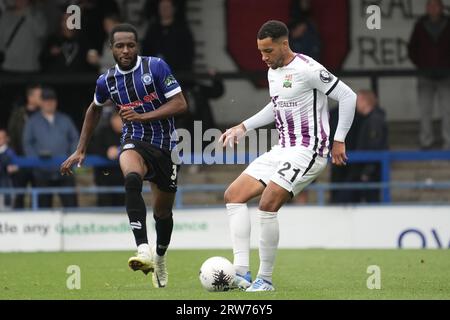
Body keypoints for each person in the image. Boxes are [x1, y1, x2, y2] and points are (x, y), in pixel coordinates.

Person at [219, 20, 356, 292]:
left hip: (309, 150)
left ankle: (265, 279)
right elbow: (276, 105)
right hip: (282, 148)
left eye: (268, 51)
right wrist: (244, 126)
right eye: (260, 51)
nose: (263, 57)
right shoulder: (273, 72)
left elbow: (348, 96)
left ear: (284, 44)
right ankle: (242, 272)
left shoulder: (308, 68)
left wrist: (339, 139)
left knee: (267, 203)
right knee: (233, 195)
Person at [60, 23, 187, 288]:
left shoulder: (155, 67)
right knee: (131, 178)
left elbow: (180, 104)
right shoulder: (107, 80)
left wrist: (143, 115)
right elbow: (94, 110)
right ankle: (143, 249)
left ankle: (160, 258)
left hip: (165, 146)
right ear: (112, 49)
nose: (126, 50)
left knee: (163, 213)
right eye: (120, 46)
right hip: (134, 141)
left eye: (130, 45)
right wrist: (81, 148)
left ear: (137, 45)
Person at [23, 87, 79, 208]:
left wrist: (71, 159)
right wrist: (35, 161)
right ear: (41, 102)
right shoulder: (32, 121)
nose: (49, 103)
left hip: (65, 171)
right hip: (41, 172)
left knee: (72, 208)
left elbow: (75, 139)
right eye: (46, 100)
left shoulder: (65, 119)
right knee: (42, 209)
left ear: (56, 102)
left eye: (52, 100)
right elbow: (27, 143)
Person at [408, 0, 450, 150]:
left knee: (448, 110)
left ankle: (448, 143)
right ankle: (426, 142)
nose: (432, 9)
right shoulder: (420, 24)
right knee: (425, 110)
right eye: (429, 6)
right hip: (425, 74)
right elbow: (412, 48)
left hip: (446, 75)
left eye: (435, 5)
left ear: (441, 7)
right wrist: (422, 64)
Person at [7, 84, 41, 208]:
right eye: (39, 95)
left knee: (38, 196)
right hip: (21, 160)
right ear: (30, 97)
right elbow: (12, 135)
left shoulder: (43, 114)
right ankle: (17, 224)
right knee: (19, 195)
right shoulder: (18, 114)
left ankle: (39, 224)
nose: (42, 98)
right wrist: (13, 159)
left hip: (39, 161)